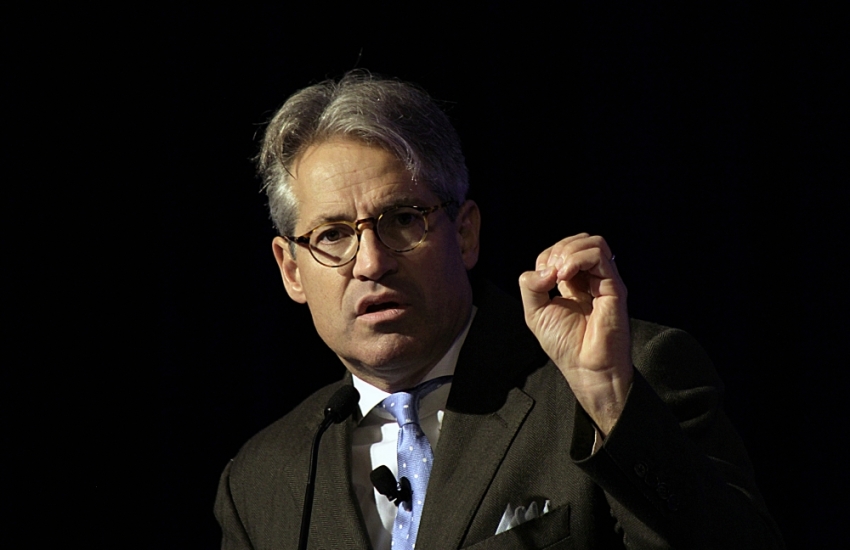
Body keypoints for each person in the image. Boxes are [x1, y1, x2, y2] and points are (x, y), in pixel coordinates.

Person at [215, 71, 784, 549]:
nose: (371, 262)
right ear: (291, 269)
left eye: (403, 220)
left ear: (465, 234)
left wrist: (610, 398)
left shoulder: (626, 377)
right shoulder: (262, 479)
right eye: (333, 234)